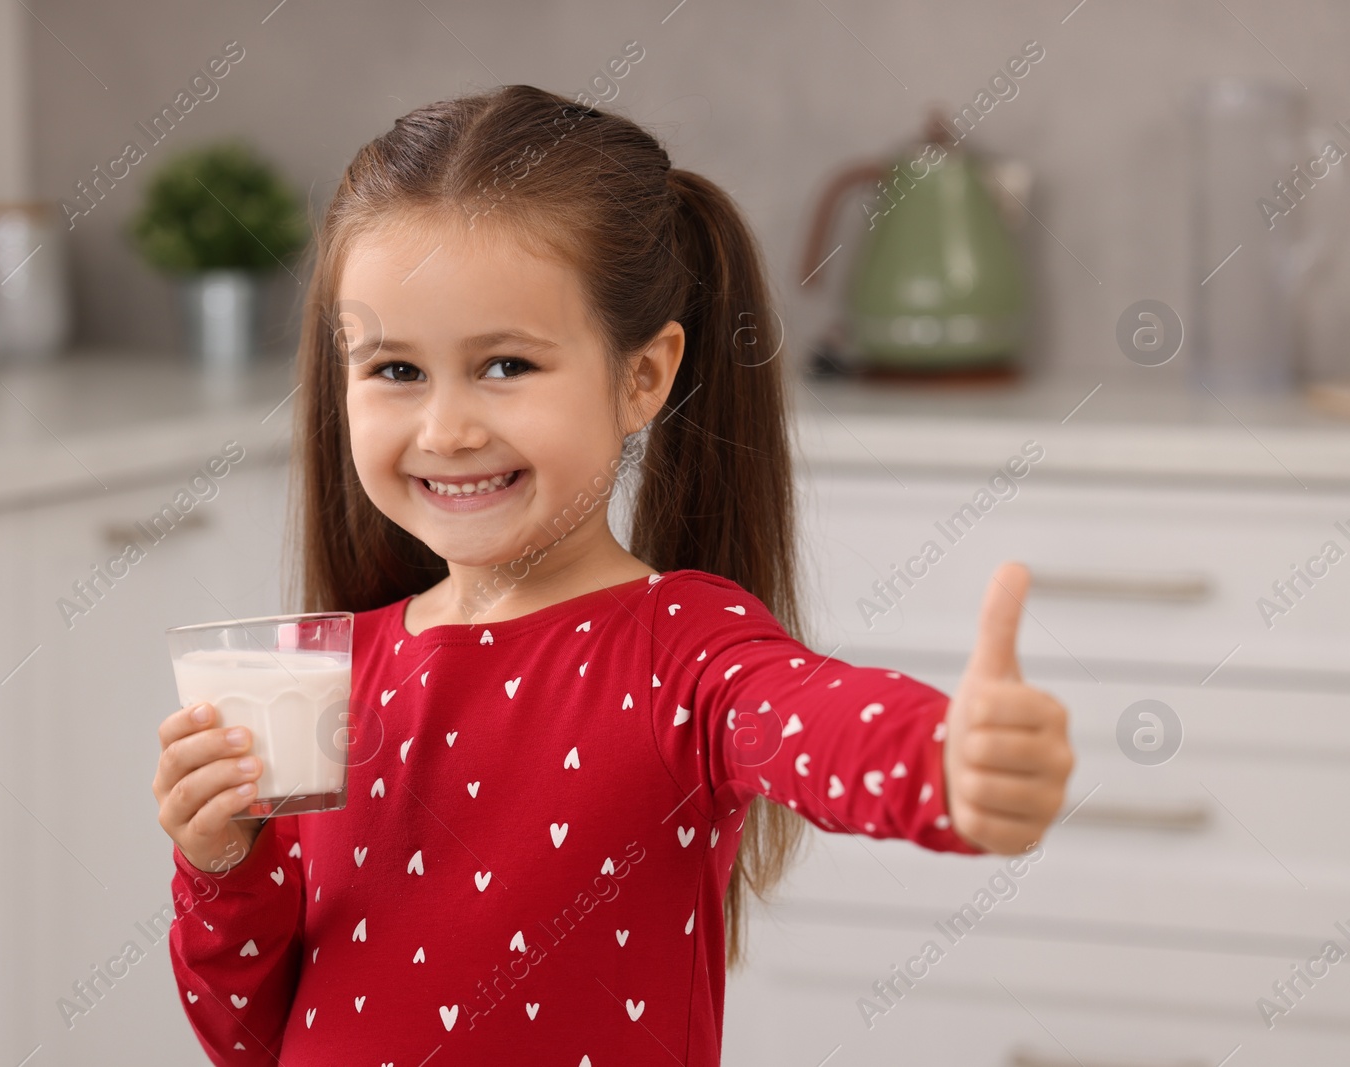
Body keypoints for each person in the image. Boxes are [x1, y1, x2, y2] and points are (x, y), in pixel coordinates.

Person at [152, 83, 1074, 1066]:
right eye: (394, 369)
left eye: (505, 364)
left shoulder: (679, 648)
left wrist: (947, 762)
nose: (446, 428)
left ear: (643, 377)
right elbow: (250, 1039)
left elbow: (814, 722)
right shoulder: (329, 682)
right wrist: (222, 862)